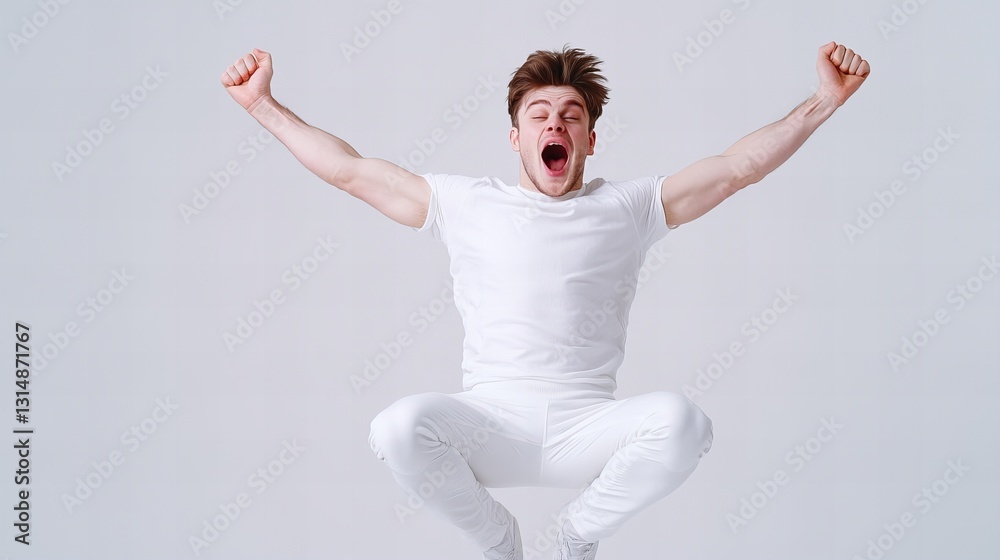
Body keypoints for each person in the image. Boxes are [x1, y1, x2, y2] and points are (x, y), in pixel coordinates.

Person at [221, 41, 869, 560]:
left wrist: (823, 101)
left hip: (591, 429)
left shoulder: (631, 206)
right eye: (539, 115)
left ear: (589, 139)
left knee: (683, 424)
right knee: (396, 427)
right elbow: (348, 170)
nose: (555, 123)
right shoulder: (464, 202)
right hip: (489, 424)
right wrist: (262, 107)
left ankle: (577, 536)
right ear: (516, 139)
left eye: (571, 116)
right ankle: (499, 544)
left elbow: (737, 168)